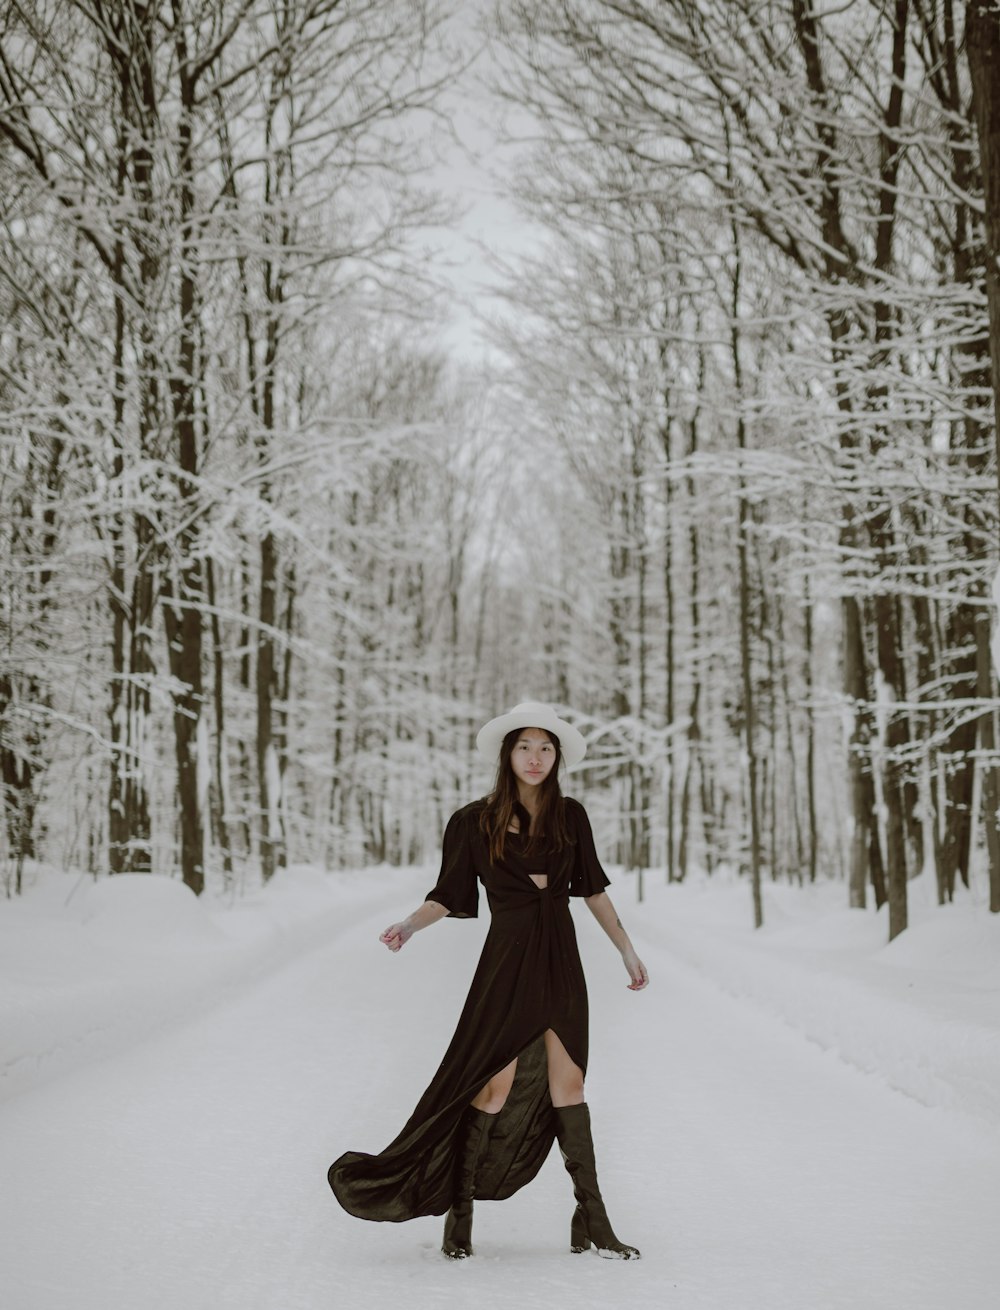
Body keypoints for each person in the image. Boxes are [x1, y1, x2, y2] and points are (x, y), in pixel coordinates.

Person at [327, 701, 648, 1260]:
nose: (535, 757)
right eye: (524, 746)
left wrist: (626, 948)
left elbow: (592, 889)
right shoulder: (473, 821)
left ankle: (593, 1220)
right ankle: (460, 1216)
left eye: (546, 748)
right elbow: (448, 896)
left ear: (557, 757)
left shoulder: (571, 816)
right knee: (494, 1090)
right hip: (507, 967)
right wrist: (409, 924)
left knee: (568, 1088)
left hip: (561, 964)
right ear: (507, 754)